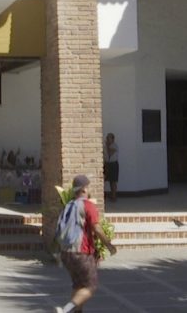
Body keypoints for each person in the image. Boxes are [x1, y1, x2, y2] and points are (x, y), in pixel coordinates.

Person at [55, 174, 117, 313]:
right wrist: (109, 245)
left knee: (78, 285)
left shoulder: (68, 205)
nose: (90, 189)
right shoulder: (88, 206)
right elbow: (97, 228)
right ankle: (66, 310)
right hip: (81, 252)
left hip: (66, 253)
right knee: (90, 286)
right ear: (83, 189)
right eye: (88, 187)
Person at [104, 133, 119, 202]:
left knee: (113, 181)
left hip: (113, 164)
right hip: (106, 164)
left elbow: (110, 153)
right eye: (107, 137)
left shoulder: (115, 145)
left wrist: (107, 146)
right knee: (103, 180)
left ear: (113, 139)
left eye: (109, 138)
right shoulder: (105, 146)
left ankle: (114, 196)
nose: (107, 139)